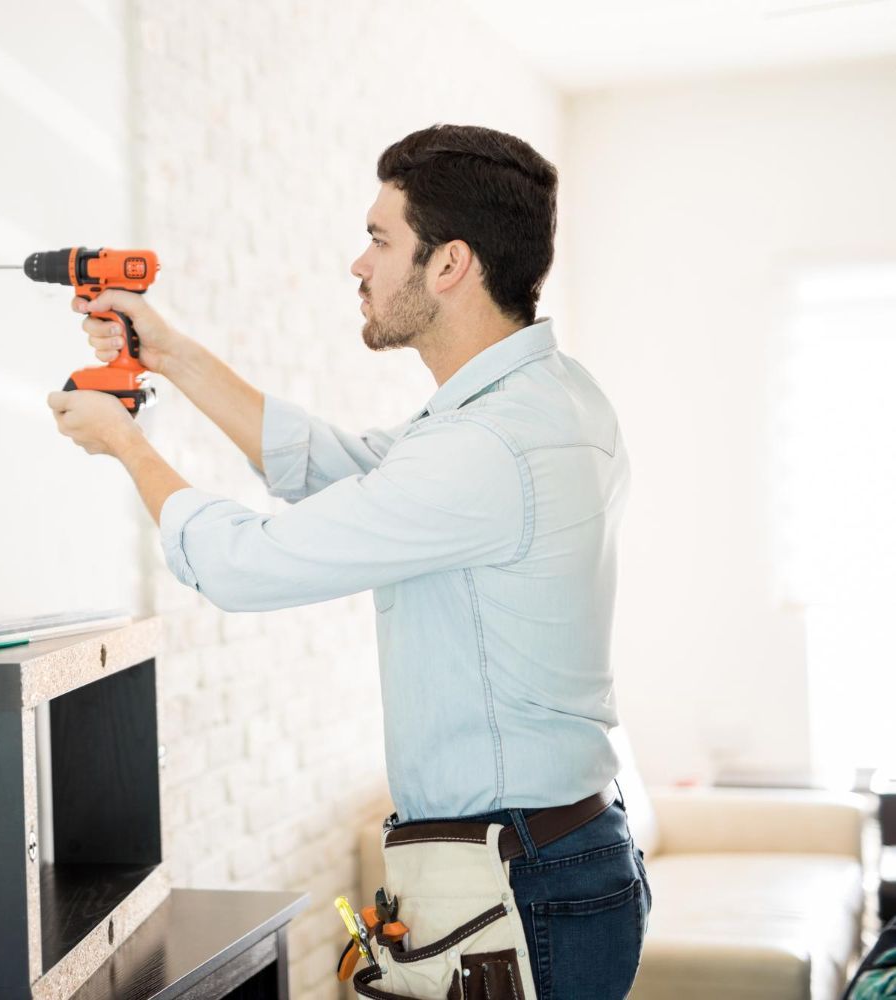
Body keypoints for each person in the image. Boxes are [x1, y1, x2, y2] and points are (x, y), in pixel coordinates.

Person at [46, 123, 650, 999]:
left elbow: (245, 566)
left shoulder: (488, 446)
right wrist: (168, 353)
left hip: (522, 883)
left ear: (449, 265)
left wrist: (126, 445)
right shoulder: (543, 401)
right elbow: (339, 465)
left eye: (379, 238)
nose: (359, 265)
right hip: (551, 860)